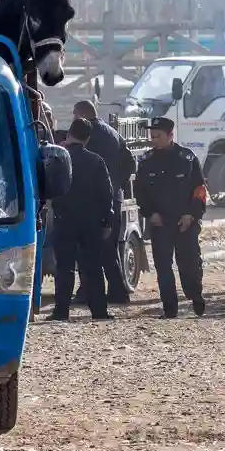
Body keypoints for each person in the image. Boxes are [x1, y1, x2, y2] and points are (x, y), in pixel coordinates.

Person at [133, 117, 207, 318]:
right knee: (163, 266)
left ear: (170, 136)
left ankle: (195, 295)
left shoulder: (187, 158)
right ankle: (170, 308)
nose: (154, 139)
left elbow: (199, 190)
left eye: (158, 136)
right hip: (161, 222)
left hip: (185, 222)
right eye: (152, 136)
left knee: (189, 264)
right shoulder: (147, 161)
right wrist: (150, 213)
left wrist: (191, 214)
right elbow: (140, 191)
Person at [46, 118, 114, 322]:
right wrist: (107, 221)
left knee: (64, 267)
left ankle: (61, 311)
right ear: (88, 138)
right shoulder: (96, 161)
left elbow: (49, 187)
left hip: (64, 219)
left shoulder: (58, 158)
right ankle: (99, 311)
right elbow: (106, 193)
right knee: (92, 267)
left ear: (69, 134)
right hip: (90, 222)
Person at [72, 100, 136, 305]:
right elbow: (130, 164)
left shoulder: (87, 136)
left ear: (80, 115)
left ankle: (89, 291)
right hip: (113, 198)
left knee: (86, 248)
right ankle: (118, 291)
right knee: (108, 248)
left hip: (92, 200)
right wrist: (118, 184)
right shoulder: (113, 133)